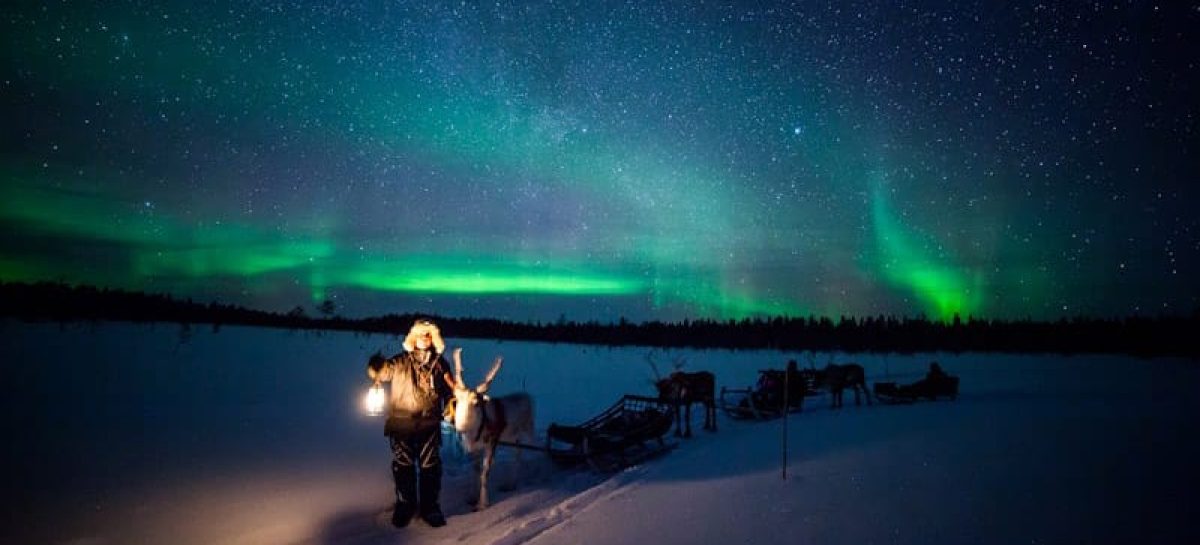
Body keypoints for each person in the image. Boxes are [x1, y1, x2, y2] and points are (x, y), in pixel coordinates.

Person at [367, 319, 454, 528]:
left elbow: (449, 391)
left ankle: (430, 507)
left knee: (430, 466)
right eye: (421, 333)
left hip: (429, 424)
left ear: (434, 339)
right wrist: (377, 367)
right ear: (413, 337)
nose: (425, 337)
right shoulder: (399, 361)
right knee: (403, 465)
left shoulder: (441, 365)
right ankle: (405, 505)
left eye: (429, 334)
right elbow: (384, 373)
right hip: (401, 424)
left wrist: (452, 405)